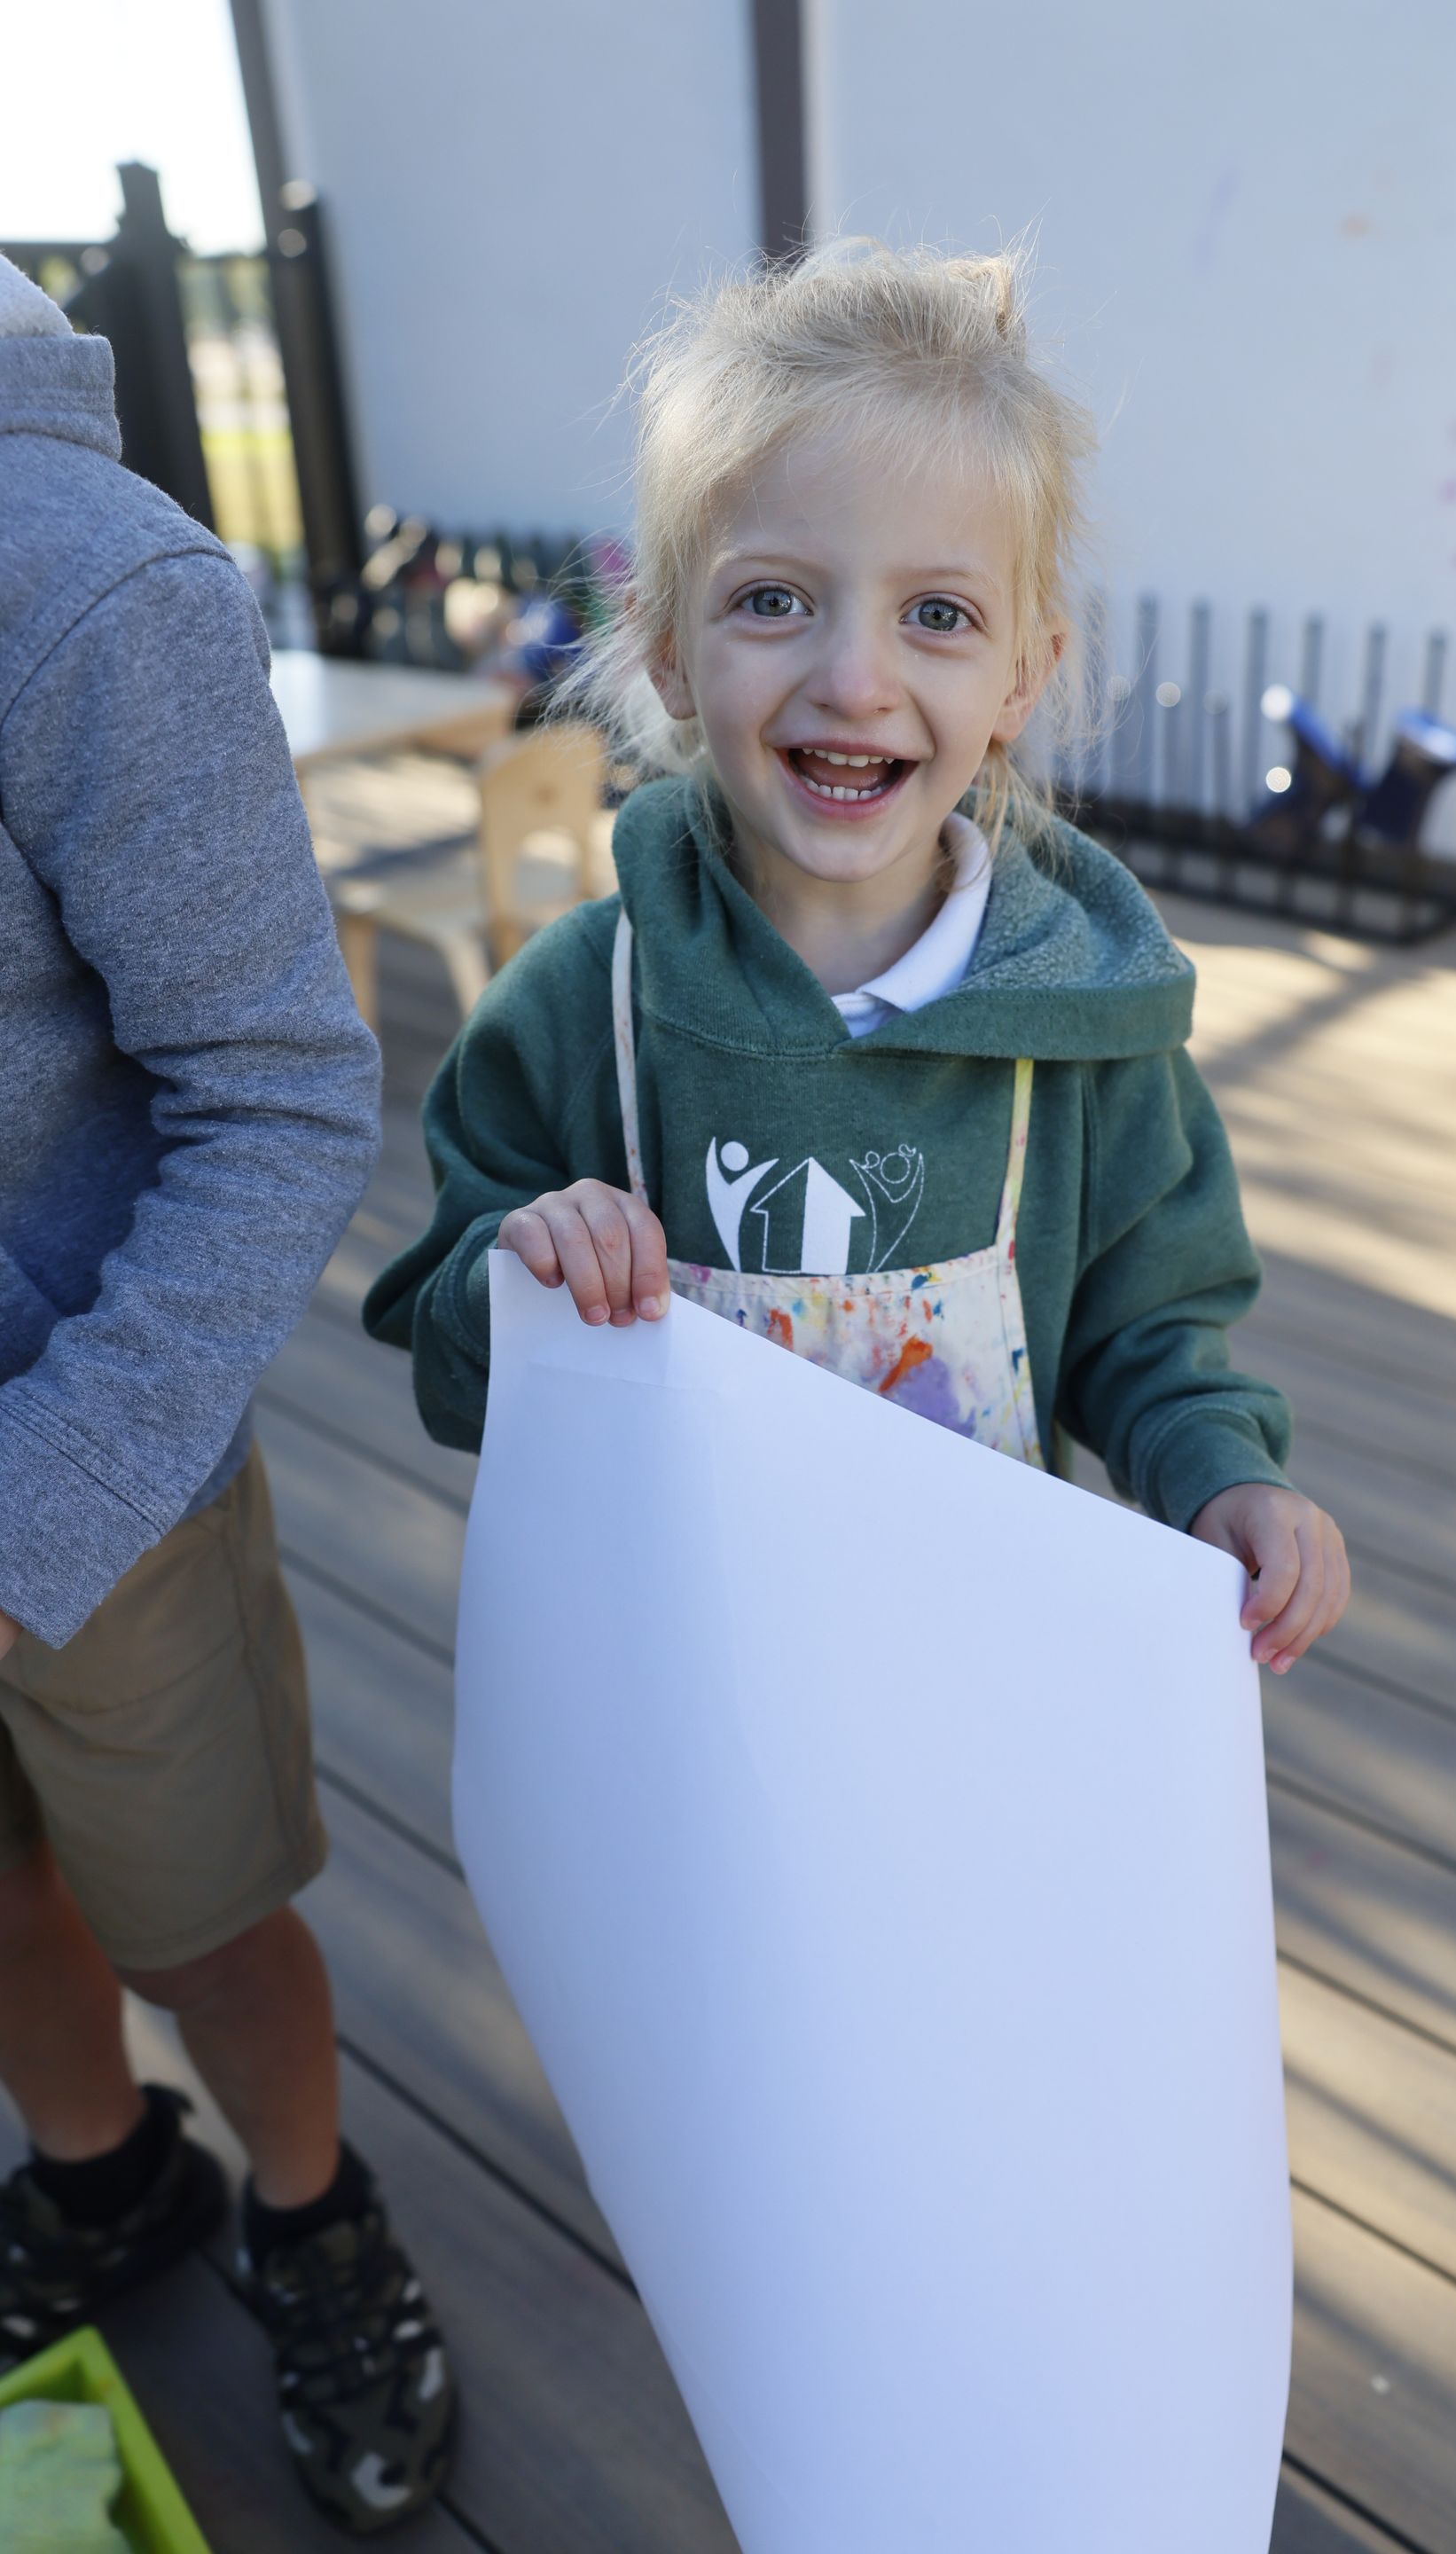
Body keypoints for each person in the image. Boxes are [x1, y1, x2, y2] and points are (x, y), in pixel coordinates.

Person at [365, 239, 1350, 1675]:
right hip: (668, 1670)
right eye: (774, 599)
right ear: (664, 648)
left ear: (1022, 675)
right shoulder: (579, 1006)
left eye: (937, 615)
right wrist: (517, 1275)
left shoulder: (1091, 1030)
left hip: (968, 1665)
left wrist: (1224, 1472)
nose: (854, 678)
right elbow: (454, 1358)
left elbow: (1154, 1331)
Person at [0, 251, 454, 2534]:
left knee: (191, 1919)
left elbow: (282, 1099)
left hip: (94, 1488)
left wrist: (36, 1510)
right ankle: (102, 2183)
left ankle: (308, 2214)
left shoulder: (87, 590)